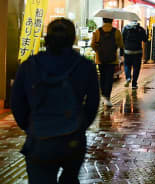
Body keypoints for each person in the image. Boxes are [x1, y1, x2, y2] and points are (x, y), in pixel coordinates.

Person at [11, 18, 100, 184]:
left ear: (47, 38)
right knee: (69, 179)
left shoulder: (29, 65)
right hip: (73, 139)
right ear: (73, 39)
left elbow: (17, 102)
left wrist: (30, 125)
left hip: (39, 139)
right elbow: (93, 103)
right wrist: (80, 125)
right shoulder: (85, 66)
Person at [91, 18, 124, 107]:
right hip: (112, 59)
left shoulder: (97, 31)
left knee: (102, 77)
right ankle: (107, 98)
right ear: (112, 20)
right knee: (109, 78)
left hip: (100, 59)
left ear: (103, 20)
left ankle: (103, 96)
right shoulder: (116, 32)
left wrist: (99, 51)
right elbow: (121, 44)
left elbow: (92, 45)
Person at [122, 21, 147, 89]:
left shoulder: (125, 28)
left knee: (127, 65)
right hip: (138, 52)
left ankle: (128, 78)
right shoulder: (141, 29)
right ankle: (134, 84)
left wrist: (122, 52)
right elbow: (145, 39)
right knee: (136, 68)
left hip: (127, 51)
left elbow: (122, 40)